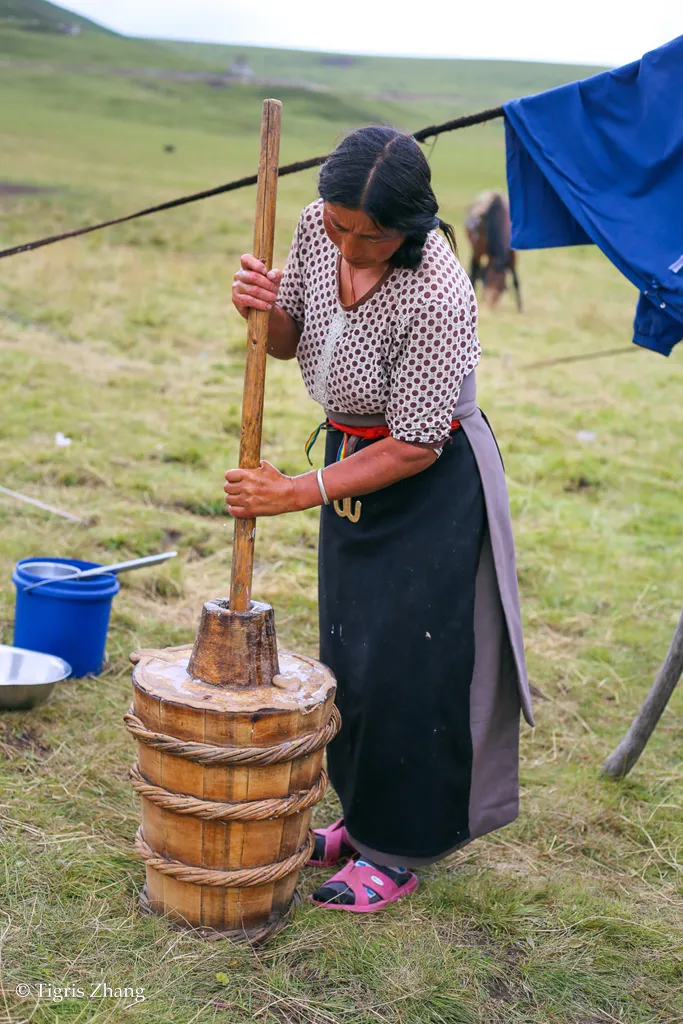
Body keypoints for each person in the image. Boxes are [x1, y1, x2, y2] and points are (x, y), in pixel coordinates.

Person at [226, 126, 534, 914]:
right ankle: (363, 820)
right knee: (353, 655)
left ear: (416, 222)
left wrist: (294, 489)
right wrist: (261, 308)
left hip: (427, 482)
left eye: (373, 236)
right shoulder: (313, 223)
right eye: (338, 229)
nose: (351, 248)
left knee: (415, 667)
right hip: (346, 460)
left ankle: (400, 848)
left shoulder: (437, 289)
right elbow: (292, 342)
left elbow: (416, 444)